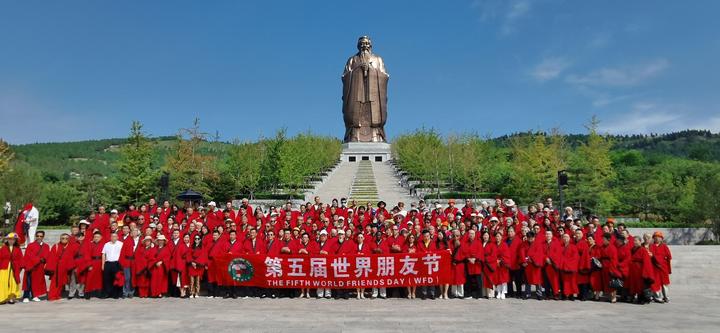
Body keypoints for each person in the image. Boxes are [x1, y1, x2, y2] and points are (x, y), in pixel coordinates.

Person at [46, 233, 77, 301]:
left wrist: (71, 266)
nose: (64, 239)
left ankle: (57, 295)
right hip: (57, 267)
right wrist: (51, 268)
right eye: (63, 238)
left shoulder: (71, 246)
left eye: (66, 238)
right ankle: (52, 296)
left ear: (69, 239)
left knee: (61, 283)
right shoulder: (56, 246)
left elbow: (73, 256)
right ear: (60, 239)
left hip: (66, 267)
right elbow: (51, 257)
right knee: (55, 282)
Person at [22, 230, 50, 302]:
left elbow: (46, 256)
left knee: (37, 282)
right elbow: (28, 255)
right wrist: (38, 260)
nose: (39, 237)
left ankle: (35, 295)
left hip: (39, 267)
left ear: (43, 237)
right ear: (35, 236)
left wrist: (41, 260)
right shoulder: (30, 245)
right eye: (37, 236)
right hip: (30, 265)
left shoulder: (46, 246)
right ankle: (26, 296)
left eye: (41, 236)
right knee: (28, 281)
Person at [0, 233, 23, 304]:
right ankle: (3, 298)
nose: (11, 241)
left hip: (14, 268)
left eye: (13, 239)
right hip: (4, 268)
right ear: (7, 240)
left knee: (13, 282)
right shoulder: (3, 248)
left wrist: (20, 267)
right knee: (3, 282)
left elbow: (20, 259)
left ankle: (11, 298)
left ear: (15, 240)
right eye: (10, 239)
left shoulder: (18, 249)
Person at [650, 231, 672, 303]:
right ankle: (657, 297)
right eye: (655, 237)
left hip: (663, 267)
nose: (657, 238)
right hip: (654, 267)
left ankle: (666, 297)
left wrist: (668, 267)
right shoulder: (651, 246)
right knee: (655, 283)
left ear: (661, 239)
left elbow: (668, 256)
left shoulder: (664, 246)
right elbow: (650, 256)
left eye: (659, 237)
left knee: (664, 283)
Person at [119, 228, 141, 298]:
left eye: (135, 231)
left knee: (133, 277)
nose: (134, 233)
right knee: (127, 277)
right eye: (133, 231)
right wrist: (122, 262)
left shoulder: (141, 241)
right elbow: (122, 252)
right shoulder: (127, 240)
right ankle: (125, 292)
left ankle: (131, 292)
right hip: (127, 261)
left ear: (138, 233)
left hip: (135, 262)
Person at [101, 232, 124, 299]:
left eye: (115, 236)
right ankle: (107, 293)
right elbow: (103, 254)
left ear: (117, 237)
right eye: (112, 236)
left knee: (116, 279)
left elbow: (123, 254)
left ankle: (115, 294)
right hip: (108, 263)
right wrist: (103, 264)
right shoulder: (106, 244)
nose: (113, 238)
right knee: (107, 279)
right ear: (110, 237)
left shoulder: (121, 244)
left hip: (116, 263)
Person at [187, 234, 207, 298]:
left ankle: (197, 293)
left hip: (198, 266)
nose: (197, 240)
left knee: (197, 280)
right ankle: (191, 293)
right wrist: (192, 262)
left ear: (200, 239)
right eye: (195, 238)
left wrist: (196, 263)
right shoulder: (191, 246)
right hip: (191, 265)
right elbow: (188, 254)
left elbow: (203, 255)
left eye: (198, 238)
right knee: (191, 280)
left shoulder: (202, 247)